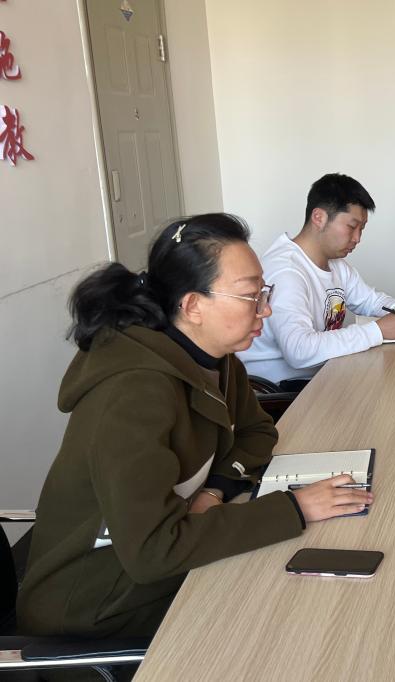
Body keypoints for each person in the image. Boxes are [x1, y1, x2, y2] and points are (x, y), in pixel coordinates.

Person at [18, 214, 373, 641]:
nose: (265, 309)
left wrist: (213, 492)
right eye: (251, 295)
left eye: (264, 292)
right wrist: (294, 508)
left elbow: (257, 433)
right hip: (98, 608)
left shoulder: (216, 358)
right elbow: (153, 552)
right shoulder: (132, 395)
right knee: (289, 622)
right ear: (192, 306)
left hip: (163, 563)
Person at [239, 173, 395, 384]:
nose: (357, 238)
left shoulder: (336, 264)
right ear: (319, 218)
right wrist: (377, 331)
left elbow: (369, 300)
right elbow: (299, 350)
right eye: (352, 227)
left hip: (322, 377)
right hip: (283, 391)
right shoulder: (286, 271)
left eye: (361, 229)